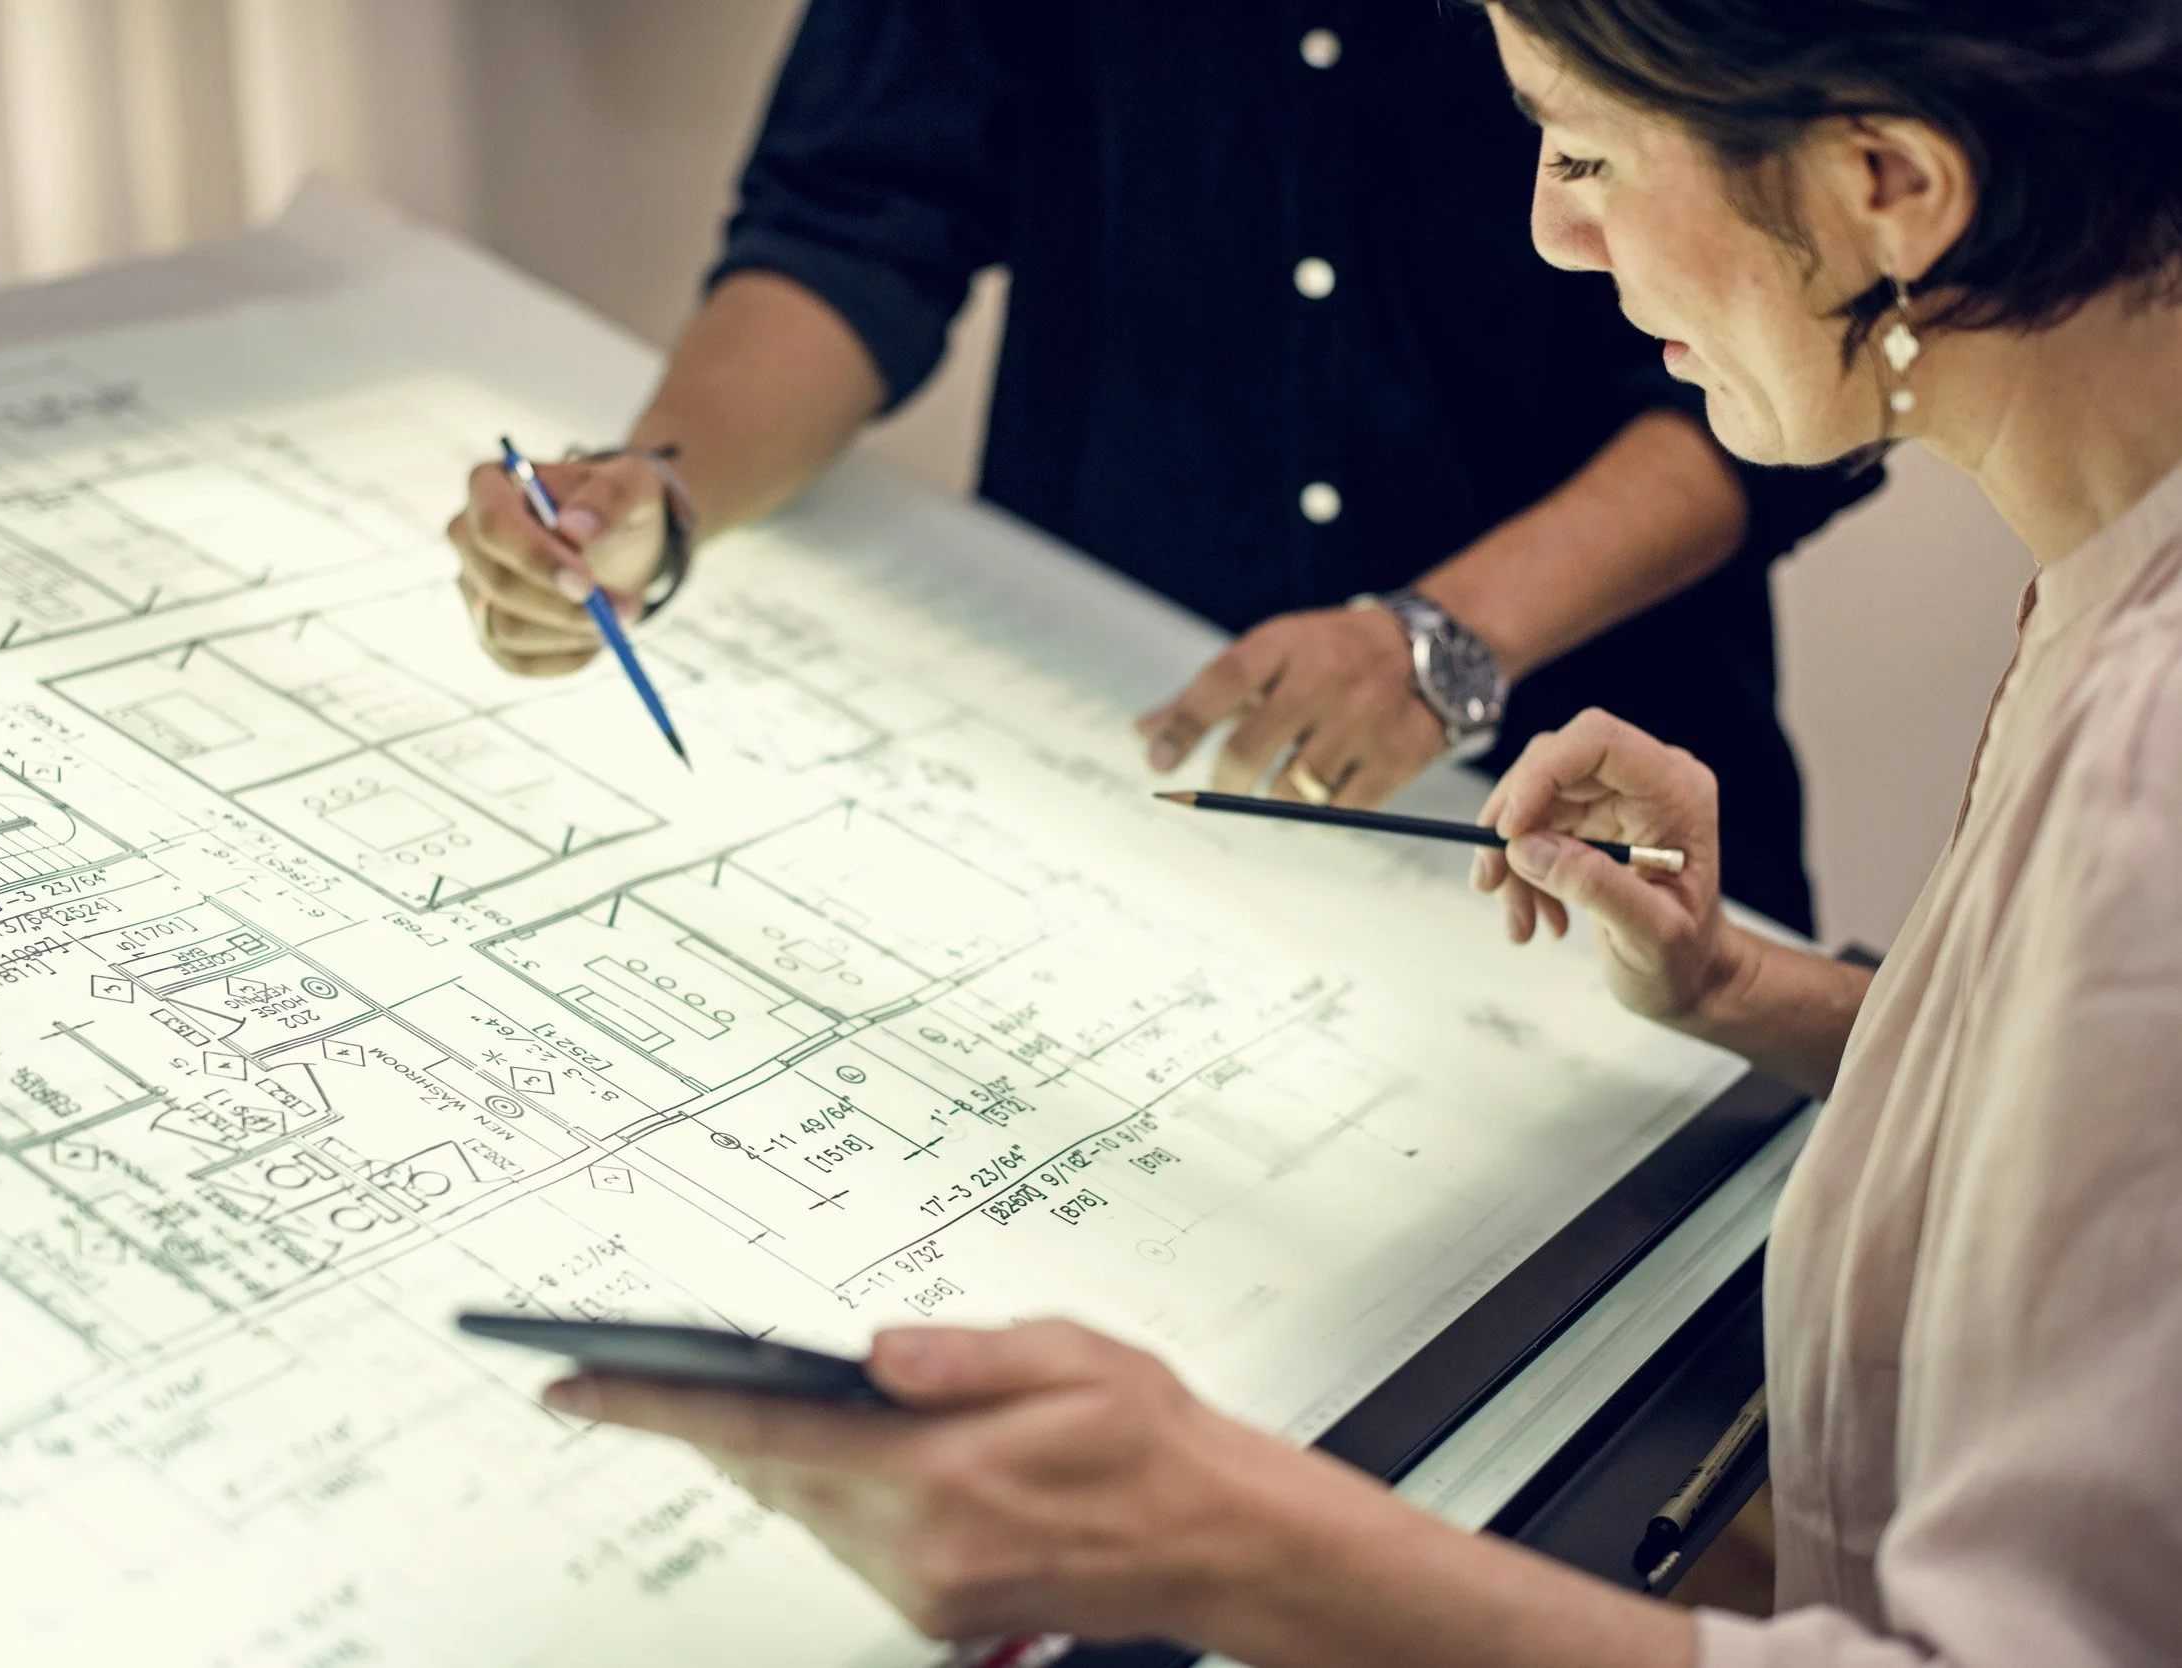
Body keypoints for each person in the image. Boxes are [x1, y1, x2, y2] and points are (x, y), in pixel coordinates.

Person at [535, 3, 2182, 1664]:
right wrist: (1762, 999)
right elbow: (2095, 1109)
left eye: (1587, 150)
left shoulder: (2145, 777)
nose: (1549, 226)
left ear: (1888, 184)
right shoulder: (2101, 560)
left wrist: (1223, 1544)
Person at [448, 1, 1882, 934]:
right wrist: (664, 493)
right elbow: (855, 215)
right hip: (1112, 757)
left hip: (1590, 788)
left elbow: (1816, 342)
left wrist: (1438, 646)